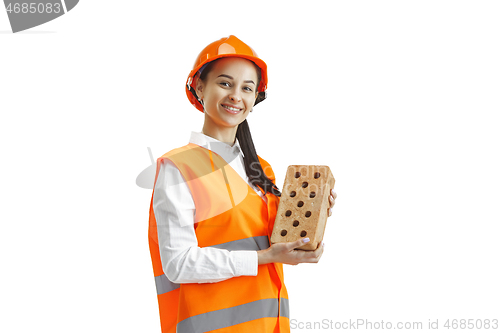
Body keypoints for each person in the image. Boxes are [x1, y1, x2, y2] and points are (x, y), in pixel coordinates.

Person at [148, 35, 337, 333]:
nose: (236, 95)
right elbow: (179, 263)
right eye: (225, 83)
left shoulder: (261, 170)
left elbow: (276, 244)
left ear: (254, 99)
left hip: (270, 324)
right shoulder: (178, 167)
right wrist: (263, 258)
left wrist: (315, 218)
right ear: (199, 87)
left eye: (247, 88)